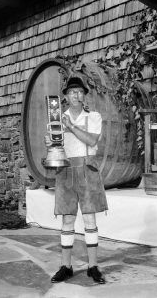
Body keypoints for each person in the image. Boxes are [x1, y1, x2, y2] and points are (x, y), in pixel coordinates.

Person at [45, 75, 108, 284]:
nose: (76, 95)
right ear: (66, 96)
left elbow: (91, 139)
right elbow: (54, 147)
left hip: (87, 168)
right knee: (67, 219)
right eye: (72, 92)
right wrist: (50, 141)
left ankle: (93, 267)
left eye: (80, 92)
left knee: (89, 218)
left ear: (84, 96)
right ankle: (66, 266)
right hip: (65, 170)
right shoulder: (56, 119)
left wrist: (71, 127)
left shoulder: (94, 116)